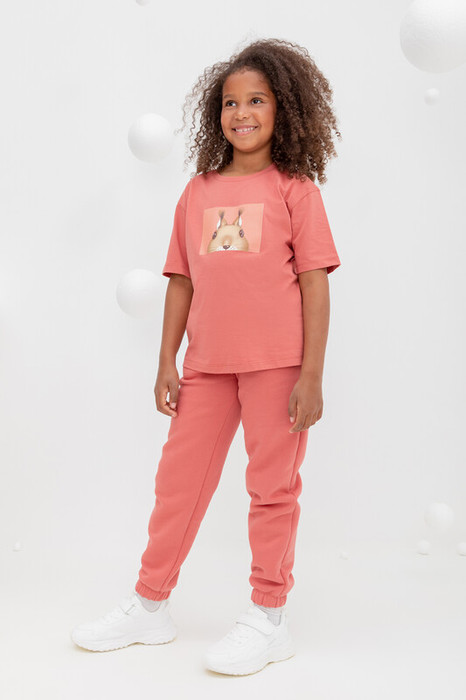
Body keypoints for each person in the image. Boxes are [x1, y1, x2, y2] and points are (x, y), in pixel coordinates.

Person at [71, 36, 342, 676]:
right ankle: (150, 603)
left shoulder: (296, 190)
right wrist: (166, 360)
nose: (241, 113)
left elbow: (315, 284)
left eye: (257, 100)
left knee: (271, 489)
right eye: (229, 103)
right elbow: (181, 281)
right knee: (177, 483)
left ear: (285, 109)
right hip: (206, 366)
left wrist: (311, 374)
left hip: (277, 365)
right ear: (215, 114)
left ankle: (269, 616)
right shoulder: (197, 192)